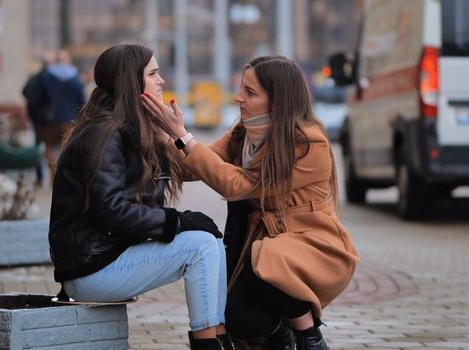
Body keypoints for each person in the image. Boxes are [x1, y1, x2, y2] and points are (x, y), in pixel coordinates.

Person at [143, 56, 359, 350]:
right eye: (241, 88)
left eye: (250, 92)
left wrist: (182, 136)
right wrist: (161, 136)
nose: (238, 98)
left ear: (277, 100)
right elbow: (196, 167)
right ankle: (281, 336)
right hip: (262, 243)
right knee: (239, 318)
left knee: (270, 259)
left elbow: (236, 185)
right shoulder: (243, 133)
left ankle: (310, 334)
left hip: (309, 242)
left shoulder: (308, 142)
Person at [48, 44, 233, 350]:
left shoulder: (132, 130)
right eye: (153, 73)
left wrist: (173, 134)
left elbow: (188, 170)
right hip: (90, 269)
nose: (161, 81)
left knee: (209, 242)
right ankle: (208, 344)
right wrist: (179, 221)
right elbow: (112, 211)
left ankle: (218, 339)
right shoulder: (103, 134)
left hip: (108, 257)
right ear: (131, 81)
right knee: (200, 245)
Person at [39, 50, 86, 182]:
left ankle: (53, 170)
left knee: (49, 148)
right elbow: (81, 100)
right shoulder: (76, 78)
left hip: (50, 120)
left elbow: (39, 99)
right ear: (67, 61)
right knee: (66, 149)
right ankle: (62, 174)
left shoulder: (46, 77)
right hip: (70, 119)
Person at [22, 51, 55, 186]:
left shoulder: (34, 78)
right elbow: (52, 97)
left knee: (38, 147)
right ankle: (52, 177)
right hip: (47, 119)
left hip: (36, 117)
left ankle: (40, 178)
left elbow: (24, 91)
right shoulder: (50, 79)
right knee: (49, 148)